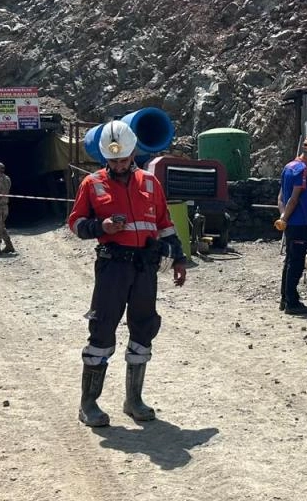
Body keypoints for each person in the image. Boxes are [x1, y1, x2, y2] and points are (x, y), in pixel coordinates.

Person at [67, 120, 187, 427]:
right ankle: (88, 404)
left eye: (123, 159)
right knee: (102, 329)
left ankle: (134, 400)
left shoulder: (150, 183)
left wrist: (179, 259)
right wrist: (101, 227)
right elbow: (75, 223)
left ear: (133, 154)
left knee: (144, 328)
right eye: (113, 160)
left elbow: (165, 223)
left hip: (145, 267)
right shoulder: (92, 183)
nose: (119, 165)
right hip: (113, 267)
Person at [277, 136, 307, 315]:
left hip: (291, 223)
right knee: (297, 263)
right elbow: (294, 198)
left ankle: (285, 299)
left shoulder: (288, 167)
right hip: (298, 223)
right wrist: (286, 217)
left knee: (289, 261)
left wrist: (283, 217)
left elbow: (281, 197)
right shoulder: (302, 170)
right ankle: (292, 302)